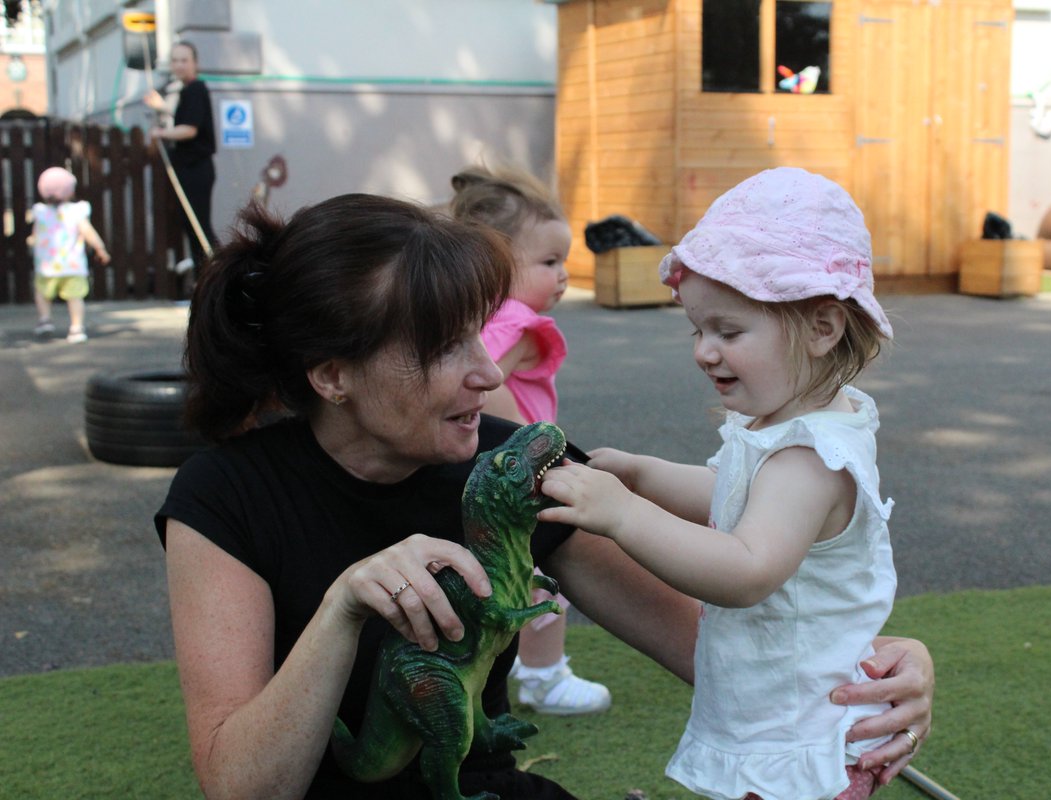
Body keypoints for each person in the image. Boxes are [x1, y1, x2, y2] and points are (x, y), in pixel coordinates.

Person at [155, 192, 934, 799]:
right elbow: (243, 786)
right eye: (444, 349)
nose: (491, 375)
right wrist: (344, 607)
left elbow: (717, 649)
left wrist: (878, 669)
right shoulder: (226, 496)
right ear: (332, 374)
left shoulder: (514, 466)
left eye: (479, 334)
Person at [539, 167, 904, 800]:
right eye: (698, 330)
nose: (705, 352)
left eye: (728, 332)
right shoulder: (786, 428)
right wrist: (645, 474)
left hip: (797, 744)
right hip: (779, 724)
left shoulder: (809, 456)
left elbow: (746, 569)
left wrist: (625, 513)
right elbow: (732, 496)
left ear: (823, 328)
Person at [449, 164, 612, 716]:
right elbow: (482, 387)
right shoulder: (515, 323)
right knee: (544, 573)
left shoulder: (477, 316)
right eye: (549, 262)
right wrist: (538, 460)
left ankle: (521, 665)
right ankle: (545, 676)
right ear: (496, 263)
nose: (563, 275)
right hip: (520, 472)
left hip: (489, 472)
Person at [145, 40, 216, 275]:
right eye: (174, 60)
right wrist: (163, 107)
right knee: (192, 225)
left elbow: (190, 129)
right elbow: (187, 118)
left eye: (184, 60)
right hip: (191, 166)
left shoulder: (195, 89)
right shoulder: (188, 91)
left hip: (196, 167)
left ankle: (211, 276)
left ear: (195, 63)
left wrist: (160, 133)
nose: (179, 65)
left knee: (198, 226)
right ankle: (206, 277)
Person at [29, 166, 111, 344]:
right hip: (72, 266)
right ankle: (76, 327)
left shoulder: (40, 212)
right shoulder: (76, 212)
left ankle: (44, 319)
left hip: (46, 266)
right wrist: (100, 247)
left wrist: (32, 241)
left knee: (42, 293)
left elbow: (35, 235)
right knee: (75, 297)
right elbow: (87, 231)